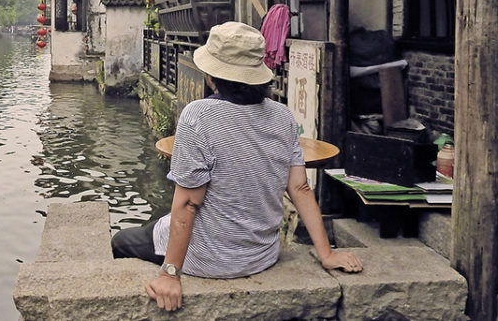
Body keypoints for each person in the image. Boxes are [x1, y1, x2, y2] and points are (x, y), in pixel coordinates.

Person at [111, 22, 362, 312]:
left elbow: (189, 203)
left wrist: (170, 275)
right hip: (261, 257)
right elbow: (300, 188)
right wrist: (327, 254)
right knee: (160, 223)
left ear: (211, 75)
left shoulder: (198, 116)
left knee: (120, 240)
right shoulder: (282, 116)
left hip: (207, 259)